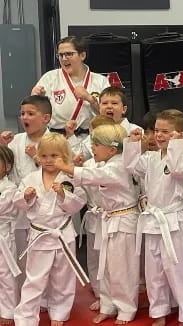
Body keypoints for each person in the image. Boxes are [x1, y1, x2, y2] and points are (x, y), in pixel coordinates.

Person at [53, 124, 140, 325]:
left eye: (96, 144)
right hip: (108, 219)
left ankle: (126, 309)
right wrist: (68, 168)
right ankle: (108, 304)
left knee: (122, 268)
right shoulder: (104, 163)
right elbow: (88, 174)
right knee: (107, 266)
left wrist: (65, 167)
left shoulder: (119, 166)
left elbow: (93, 177)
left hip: (123, 221)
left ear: (111, 149)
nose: (92, 147)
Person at [124, 110, 183, 326]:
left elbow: (176, 170)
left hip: (172, 220)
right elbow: (130, 167)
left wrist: (176, 145)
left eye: (166, 131)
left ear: (180, 134)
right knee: (154, 272)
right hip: (152, 219)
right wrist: (133, 144)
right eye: (157, 130)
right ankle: (159, 312)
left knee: (178, 269)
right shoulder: (151, 158)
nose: (159, 135)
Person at [13, 133, 87, 326]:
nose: (48, 160)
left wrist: (64, 195)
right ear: (38, 156)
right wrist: (26, 196)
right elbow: (18, 202)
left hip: (63, 233)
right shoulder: (31, 178)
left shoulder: (70, 179)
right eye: (44, 156)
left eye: (54, 156)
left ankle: (59, 313)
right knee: (34, 279)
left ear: (65, 156)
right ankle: (26, 318)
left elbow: (78, 203)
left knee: (63, 277)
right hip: (40, 235)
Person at [0, 95, 52, 286]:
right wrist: (2, 146)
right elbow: (4, 167)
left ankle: (46, 298)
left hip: (46, 208)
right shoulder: (15, 141)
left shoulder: (55, 140)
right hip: (20, 207)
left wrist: (37, 157)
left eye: (31, 113)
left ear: (45, 118)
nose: (25, 118)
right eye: (22, 114)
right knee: (20, 253)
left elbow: (60, 171)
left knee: (44, 257)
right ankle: (23, 294)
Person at [74, 115, 117, 312]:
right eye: (93, 135)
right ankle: (101, 294)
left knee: (112, 262)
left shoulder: (118, 163)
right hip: (93, 216)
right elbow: (81, 192)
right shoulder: (88, 165)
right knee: (94, 258)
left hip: (114, 216)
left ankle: (116, 297)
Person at [31, 36, 110, 136]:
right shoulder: (49, 78)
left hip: (89, 137)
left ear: (82, 55)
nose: (64, 59)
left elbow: (109, 115)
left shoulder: (100, 81)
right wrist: (36, 98)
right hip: (57, 137)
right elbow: (33, 111)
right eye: (60, 55)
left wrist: (90, 99)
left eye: (69, 54)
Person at [0, 146, 20, 325]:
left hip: (3, 236)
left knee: (5, 274)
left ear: (7, 167)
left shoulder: (10, 187)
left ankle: (8, 310)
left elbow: (3, 208)